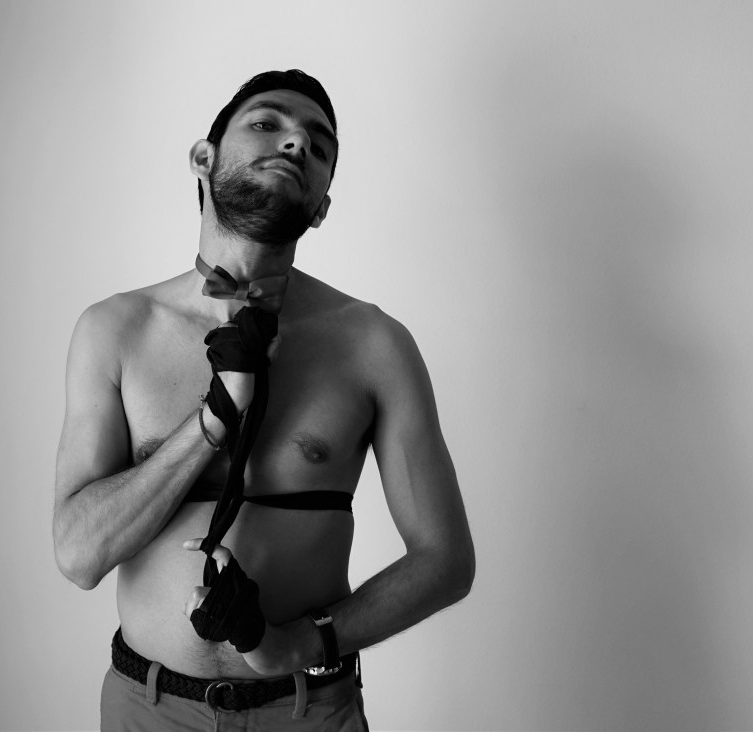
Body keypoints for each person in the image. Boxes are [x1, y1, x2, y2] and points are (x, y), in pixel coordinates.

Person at [53, 69, 475, 731]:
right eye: (266, 122)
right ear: (204, 157)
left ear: (322, 205)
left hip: (310, 712)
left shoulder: (374, 344)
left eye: (319, 145)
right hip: (147, 711)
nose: (296, 142)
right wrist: (215, 419)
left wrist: (300, 645)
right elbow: (80, 556)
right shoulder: (116, 331)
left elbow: (444, 562)